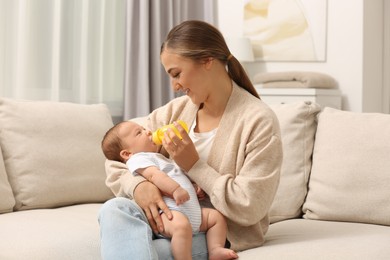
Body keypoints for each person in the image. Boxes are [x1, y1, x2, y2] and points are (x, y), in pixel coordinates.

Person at [98, 20, 283, 260]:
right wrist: (139, 186)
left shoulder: (258, 121)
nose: (175, 86)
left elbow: (250, 206)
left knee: (153, 252)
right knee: (113, 209)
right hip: (167, 219)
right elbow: (117, 158)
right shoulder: (176, 112)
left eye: (177, 74)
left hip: (210, 230)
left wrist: (195, 166)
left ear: (207, 60)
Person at [101, 120, 238, 260]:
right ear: (126, 154)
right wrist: (176, 189)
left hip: (192, 212)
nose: (148, 131)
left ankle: (215, 249)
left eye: (144, 128)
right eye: (139, 132)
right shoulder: (138, 159)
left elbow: (179, 176)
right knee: (181, 227)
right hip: (171, 214)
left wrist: (195, 188)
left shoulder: (160, 158)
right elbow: (155, 176)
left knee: (216, 218)